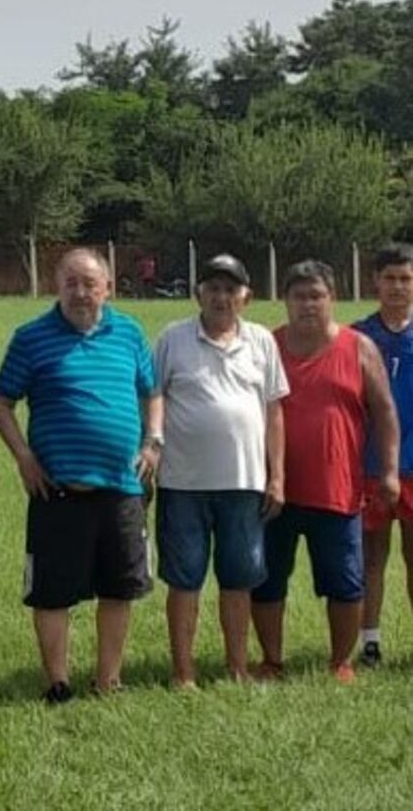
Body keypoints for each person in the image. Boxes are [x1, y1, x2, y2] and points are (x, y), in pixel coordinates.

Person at [0, 247, 158, 704]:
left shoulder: (129, 332)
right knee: (52, 593)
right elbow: (1, 401)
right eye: (71, 283)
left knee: (119, 589)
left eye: (90, 283)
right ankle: (58, 683)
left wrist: (153, 441)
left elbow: (152, 391)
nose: (81, 292)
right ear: (57, 287)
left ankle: (108, 680)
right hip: (57, 490)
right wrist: (23, 456)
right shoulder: (32, 338)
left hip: (121, 488)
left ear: (108, 287)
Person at [251, 260, 399, 684]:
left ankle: (340, 661)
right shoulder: (267, 346)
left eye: (316, 296)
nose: (308, 305)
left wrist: (389, 471)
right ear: (285, 301)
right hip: (275, 488)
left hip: (337, 489)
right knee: (267, 579)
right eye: (299, 296)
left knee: (345, 582)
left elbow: (385, 413)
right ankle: (272, 660)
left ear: (332, 298)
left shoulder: (359, 347)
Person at [153, 254, 289, 686]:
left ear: (246, 297)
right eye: (213, 288)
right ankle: (183, 673)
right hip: (182, 483)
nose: (221, 297)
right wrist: (151, 450)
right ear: (199, 294)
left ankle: (237, 668)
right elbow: (153, 398)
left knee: (238, 580)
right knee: (184, 580)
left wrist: (277, 475)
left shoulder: (261, 341)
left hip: (245, 484)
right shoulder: (172, 338)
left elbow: (274, 413)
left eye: (231, 290)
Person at [352, 243, 413, 667]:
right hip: (370, 467)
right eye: (390, 278)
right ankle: (369, 642)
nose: (398, 287)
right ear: (375, 281)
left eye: (406, 279)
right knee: (371, 558)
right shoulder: (357, 337)